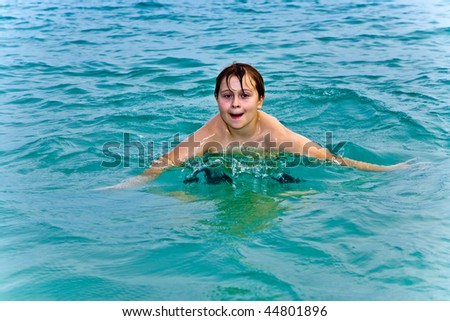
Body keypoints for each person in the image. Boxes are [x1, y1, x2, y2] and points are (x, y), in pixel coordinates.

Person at [99, 62, 409, 190]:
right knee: (181, 197)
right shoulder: (209, 135)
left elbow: (332, 159)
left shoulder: (275, 134)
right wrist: (120, 187)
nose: (235, 104)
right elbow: (160, 166)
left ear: (260, 100)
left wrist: (389, 171)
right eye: (227, 96)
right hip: (220, 167)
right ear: (217, 100)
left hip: (272, 169)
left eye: (245, 95)